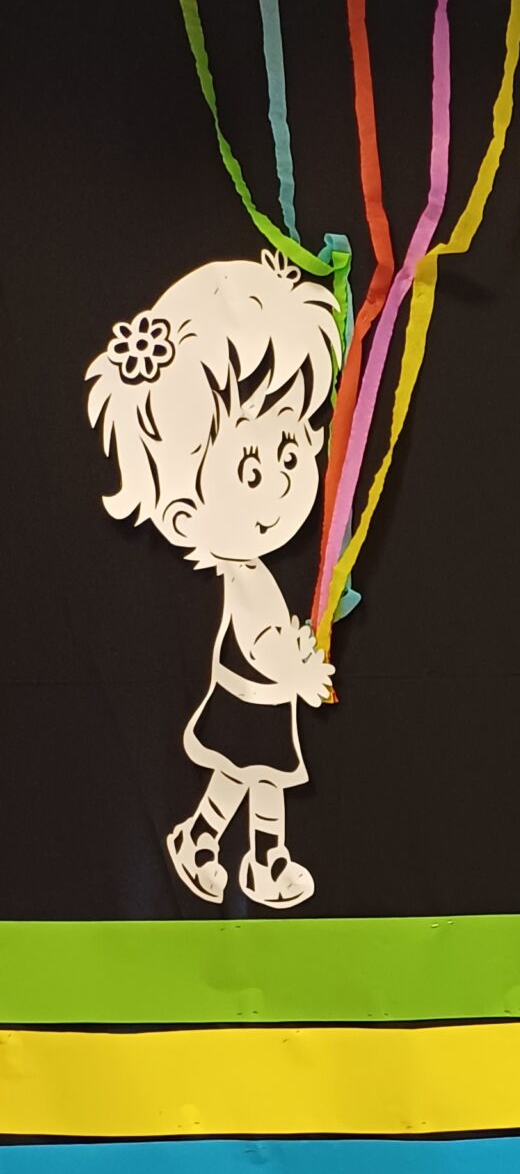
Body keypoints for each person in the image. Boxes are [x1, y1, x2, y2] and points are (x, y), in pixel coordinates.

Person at [85, 252, 340, 908]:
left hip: (256, 695)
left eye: (289, 448)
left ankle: (210, 841)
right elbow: (259, 641)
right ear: (182, 513)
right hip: (255, 692)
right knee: (262, 776)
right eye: (250, 470)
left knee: (246, 774)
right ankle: (260, 858)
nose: (281, 482)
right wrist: (300, 673)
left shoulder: (253, 570)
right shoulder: (245, 576)